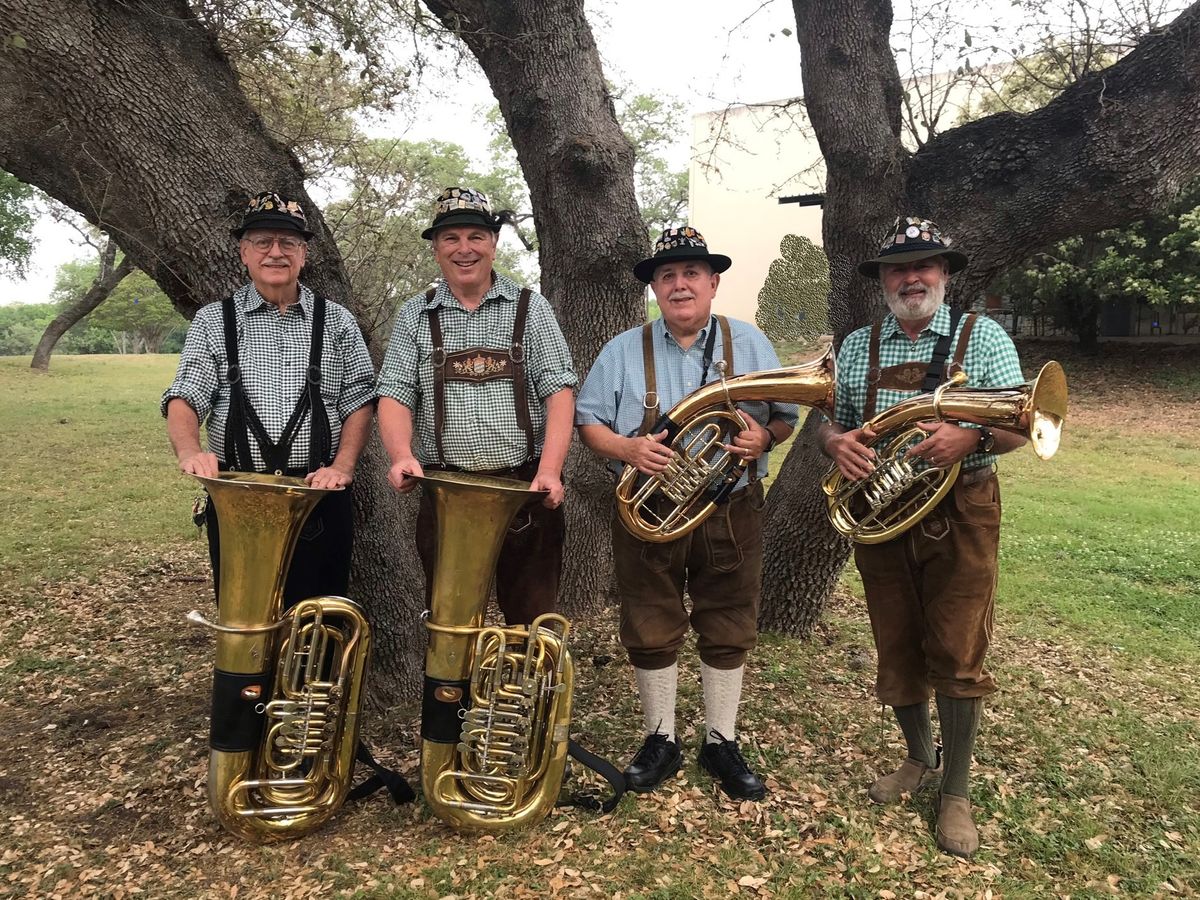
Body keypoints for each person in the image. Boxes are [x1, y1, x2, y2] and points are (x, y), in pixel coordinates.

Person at [819, 216, 1027, 858]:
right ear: (882, 280)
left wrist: (973, 437)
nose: (912, 278)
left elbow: (1024, 424)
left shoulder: (981, 337)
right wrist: (836, 444)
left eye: (925, 266)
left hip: (961, 508)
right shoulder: (858, 346)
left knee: (958, 644)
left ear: (943, 275)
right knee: (896, 639)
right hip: (881, 510)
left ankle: (956, 792)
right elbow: (835, 423)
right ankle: (918, 758)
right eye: (898, 269)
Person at [576, 227, 798, 801]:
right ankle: (662, 738)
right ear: (654, 286)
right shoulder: (622, 349)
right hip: (650, 509)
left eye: (691, 274)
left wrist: (762, 439)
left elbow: (785, 417)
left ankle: (720, 739)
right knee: (649, 619)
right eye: (667, 275)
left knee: (729, 616)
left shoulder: (748, 341)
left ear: (713, 282)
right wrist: (629, 449)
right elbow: (589, 424)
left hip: (732, 509)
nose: (680, 285)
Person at [163, 191, 376, 607]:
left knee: (319, 630)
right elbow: (185, 396)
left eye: (288, 243)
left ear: (304, 254)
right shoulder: (213, 320)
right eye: (263, 243)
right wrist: (191, 451)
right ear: (244, 253)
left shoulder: (337, 321)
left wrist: (342, 466)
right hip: (238, 501)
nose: (275, 253)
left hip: (320, 499)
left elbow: (359, 401)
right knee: (244, 638)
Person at [376, 187, 577, 626]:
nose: (463, 249)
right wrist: (402, 456)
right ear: (435, 249)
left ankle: (525, 696)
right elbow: (394, 395)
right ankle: (454, 696)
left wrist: (549, 469)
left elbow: (559, 394)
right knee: (450, 626)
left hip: (525, 494)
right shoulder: (416, 315)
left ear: (493, 242)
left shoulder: (531, 308)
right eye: (450, 238)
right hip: (446, 495)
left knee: (531, 625)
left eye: (475, 236)